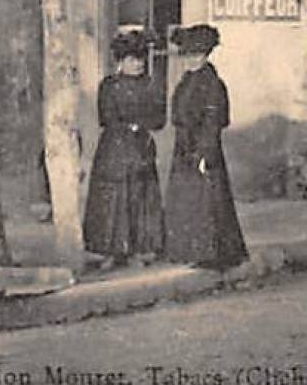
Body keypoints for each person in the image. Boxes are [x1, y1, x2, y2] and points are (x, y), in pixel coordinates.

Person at [163, 24, 247, 270]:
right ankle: (193, 250)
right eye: (187, 55)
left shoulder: (212, 84)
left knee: (208, 201)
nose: (191, 60)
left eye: (196, 55)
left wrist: (204, 154)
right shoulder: (187, 81)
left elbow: (213, 122)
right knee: (188, 201)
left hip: (202, 148)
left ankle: (215, 254)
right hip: (184, 147)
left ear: (205, 55)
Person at [83, 31, 166, 268]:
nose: (137, 64)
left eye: (140, 58)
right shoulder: (108, 86)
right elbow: (107, 117)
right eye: (131, 59)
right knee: (112, 198)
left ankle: (137, 250)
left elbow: (159, 118)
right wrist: (134, 124)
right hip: (114, 148)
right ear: (120, 61)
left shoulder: (150, 84)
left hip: (141, 147)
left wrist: (140, 125)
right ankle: (110, 251)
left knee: (139, 197)